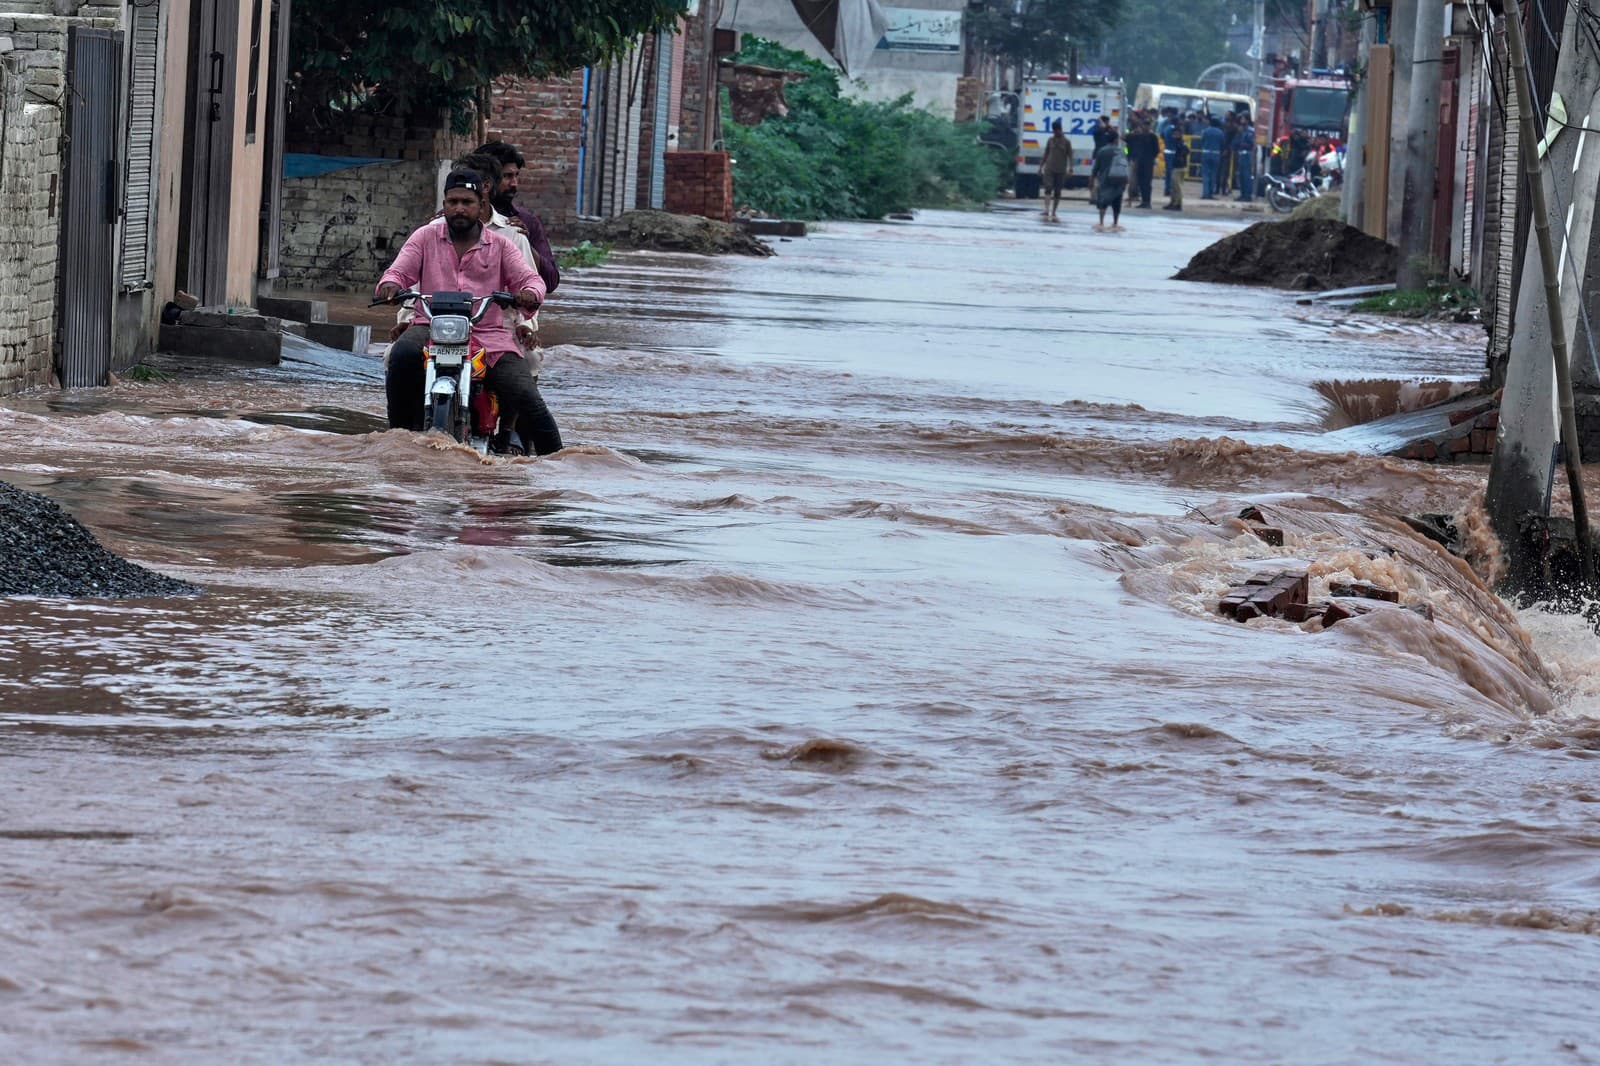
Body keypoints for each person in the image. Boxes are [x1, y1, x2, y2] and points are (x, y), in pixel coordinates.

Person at [377, 169, 562, 455]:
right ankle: (397, 441)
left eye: (467, 202)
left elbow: (532, 281)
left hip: (488, 335)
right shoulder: (424, 237)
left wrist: (528, 292)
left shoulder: (501, 245)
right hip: (430, 327)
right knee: (401, 356)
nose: (459, 208)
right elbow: (398, 271)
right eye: (453, 202)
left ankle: (558, 463)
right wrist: (390, 286)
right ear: (445, 203)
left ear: (481, 205)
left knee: (526, 394)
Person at [474, 141, 560, 295]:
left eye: (516, 176)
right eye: (507, 176)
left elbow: (551, 281)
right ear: (485, 182)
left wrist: (524, 243)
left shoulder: (525, 223)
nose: (514, 184)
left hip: (511, 314)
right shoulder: (456, 219)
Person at [1091, 129, 1129, 232]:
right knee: (1117, 201)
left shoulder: (1102, 151)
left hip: (1105, 180)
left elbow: (1096, 168)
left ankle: (1101, 222)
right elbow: (1126, 163)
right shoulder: (1121, 150)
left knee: (1103, 201)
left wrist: (1091, 180)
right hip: (1119, 180)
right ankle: (1115, 223)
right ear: (1116, 139)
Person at [1039, 119, 1073, 222]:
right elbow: (1046, 154)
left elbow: (1070, 155)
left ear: (1060, 130)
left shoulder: (1066, 142)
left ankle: (1054, 211)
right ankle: (1046, 209)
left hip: (1061, 170)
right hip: (1049, 168)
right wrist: (1040, 167)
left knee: (1057, 192)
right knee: (1048, 188)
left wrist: (1070, 168)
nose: (1055, 133)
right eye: (1053, 131)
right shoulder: (1050, 140)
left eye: (1056, 130)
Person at [1125, 120, 1160, 209]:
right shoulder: (1138, 136)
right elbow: (1126, 138)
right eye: (1144, 125)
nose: (1145, 127)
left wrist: (1150, 158)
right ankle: (1143, 201)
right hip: (1139, 162)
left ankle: (1147, 202)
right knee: (1140, 182)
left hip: (1148, 163)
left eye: (1147, 125)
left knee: (1147, 183)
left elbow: (1156, 150)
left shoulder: (1153, 137)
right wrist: (1133, 132)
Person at [1199, 117, 1224, 200]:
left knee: (1205, 174)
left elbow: (1202, 141)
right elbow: (1222, 143)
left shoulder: (1205, 131)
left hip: (1206, 153)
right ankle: (1210, 193)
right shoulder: (1220, 132)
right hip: (1216, 154)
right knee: (1213, 174)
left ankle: (1205, 193)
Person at [1164, 131, 1189, 211]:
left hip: (1179, 167)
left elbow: (1186, 151)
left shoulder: (1180, 143)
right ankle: (1173, 202)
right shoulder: (1179, 142)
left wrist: (1180, 157)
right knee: (1174, 186)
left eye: (1175, 134)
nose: (1173, 136)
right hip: (1178, 166)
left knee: (1177, 186)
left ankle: (1178, 203)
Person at [1236, 121, 1256, 202]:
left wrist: (1242, 144)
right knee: (1241, 176)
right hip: (1241, 154)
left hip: (1246, 155)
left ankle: (1247, 195)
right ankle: (1243, 194)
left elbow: (1251, 145)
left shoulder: (1249, 131)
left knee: (1246, 176)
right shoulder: (1242, 132)